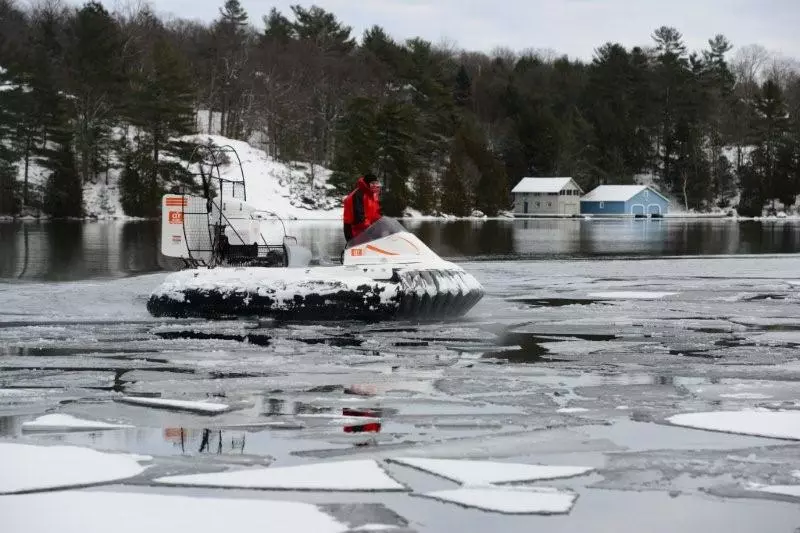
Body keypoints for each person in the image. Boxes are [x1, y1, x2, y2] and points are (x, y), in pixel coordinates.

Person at [342, 173, 382, 241]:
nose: (375, 185)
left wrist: (382, 224)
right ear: (367, 183)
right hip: (354, 231)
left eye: (376, 183)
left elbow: (375, 214)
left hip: (367, 231)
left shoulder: (372, 195)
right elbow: (358, 218)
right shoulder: (358, 195)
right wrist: (371, 228)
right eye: (372, 183)